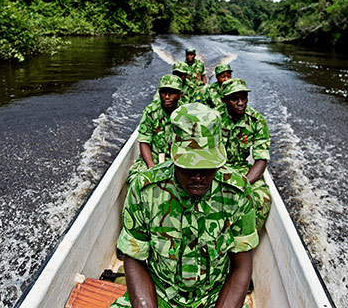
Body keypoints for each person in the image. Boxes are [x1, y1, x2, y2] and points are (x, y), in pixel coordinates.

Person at [111, 103, 258, 308]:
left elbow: (241, 267)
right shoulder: (145, 189)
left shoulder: (238, 193)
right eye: (189, 166)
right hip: (159, 292)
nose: (198, 176)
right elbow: (134, 257)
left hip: (215, 296)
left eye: (207, 167)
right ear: (173, 155)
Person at [219, 79, 271, 232]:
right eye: (235, 99)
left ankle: (246, 239)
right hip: (215, 168)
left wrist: (244, 183)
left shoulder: (257, 120)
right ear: (225, 100)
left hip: (242, 169)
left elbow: (261, 159)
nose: (241, 103)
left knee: (263, 200)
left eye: (244, 98)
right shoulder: (213, 119)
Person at [129, 74, 183, 183]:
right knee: (137, 180)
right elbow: (144, 141)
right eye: (164, 92)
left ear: (180, 95)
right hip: (154, 157)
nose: (167, 96)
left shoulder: (186, 114)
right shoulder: (151, 112)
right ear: (159, 93)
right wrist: (151, 165)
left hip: (178, 159)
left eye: (171, 93)